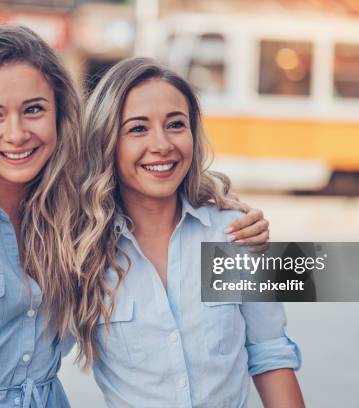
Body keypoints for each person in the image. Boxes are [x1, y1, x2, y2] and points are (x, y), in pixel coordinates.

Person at [0, 26, 269, 408]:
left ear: (59, 114)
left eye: (34, 109)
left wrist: (233, 218)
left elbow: (276, 331)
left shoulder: (74, 216)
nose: (16, 134)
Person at [75, 58, 304, 407]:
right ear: (105, 141)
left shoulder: (232, 235)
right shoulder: (83, 249)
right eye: (138, 129)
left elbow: (269, 351)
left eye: (176, 125)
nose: (162, 144)